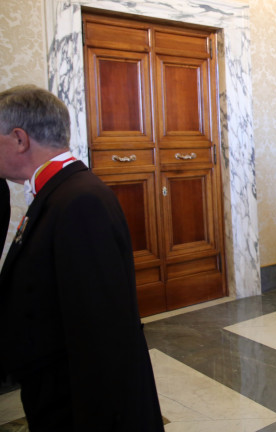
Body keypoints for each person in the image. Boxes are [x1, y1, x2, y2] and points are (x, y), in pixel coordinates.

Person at [0, 85, 163, 430]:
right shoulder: (59, 191)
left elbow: (99, 333)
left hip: (76, 405)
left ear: (19, 139)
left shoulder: (80, 201)